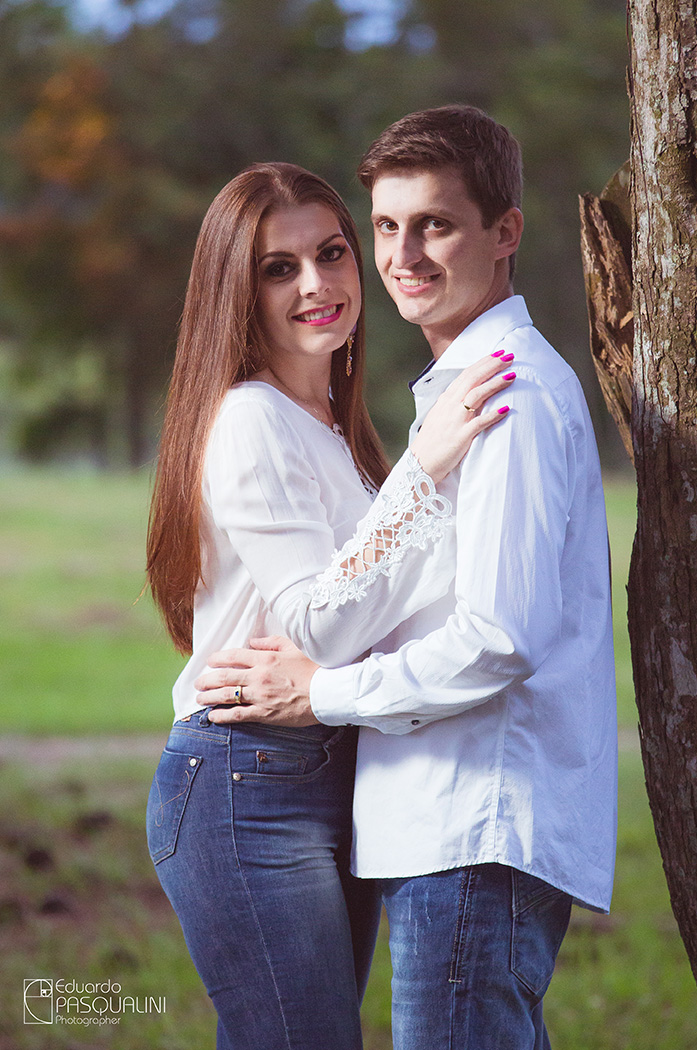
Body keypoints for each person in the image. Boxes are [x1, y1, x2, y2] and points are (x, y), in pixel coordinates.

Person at [196, 107, 619, 1050]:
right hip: (445, 824)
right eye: (387, 226)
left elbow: (498, 638)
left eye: (436, 224)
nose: (404, 255)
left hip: (471, 821)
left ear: (506, 232)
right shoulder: (453, 398)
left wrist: (324, 694)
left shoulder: (500, 392)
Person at [145, 160, 516, 1050]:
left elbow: (379, 606)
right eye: (279, 267)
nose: (317, 283)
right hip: (245, 780)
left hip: (325, 771)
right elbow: (320, 623)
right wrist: (426, 474)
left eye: (332, 252)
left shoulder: (335, 433)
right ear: (239, 290)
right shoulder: (248, 419)